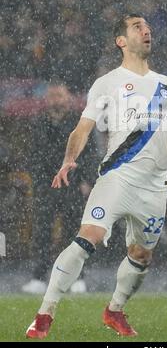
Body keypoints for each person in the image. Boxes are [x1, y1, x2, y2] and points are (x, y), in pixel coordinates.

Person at [26, 14, 167, 339]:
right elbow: (82, 129)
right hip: (118, 176)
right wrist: (68, 160)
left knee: (142, 255)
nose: (146, 31)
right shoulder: (106, 83)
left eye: (147, 28)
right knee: (87, 236)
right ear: (121, 40)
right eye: (137, 27)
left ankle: (114, 310)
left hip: (154, 187)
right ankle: (45, 314)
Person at [22, 84, 97, 294]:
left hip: (73, 186)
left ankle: (77, 277)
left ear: (68, 98)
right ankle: (39, 277)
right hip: (47, 186)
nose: (56, 99)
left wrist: (86, 181)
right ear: (47, 99)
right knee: (42, 233)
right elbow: (34, 155)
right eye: (52, 96)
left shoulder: (79, 122)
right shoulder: (39, 123)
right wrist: (40, 182)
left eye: (60, 95)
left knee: (75, 233)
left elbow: (89, 154)